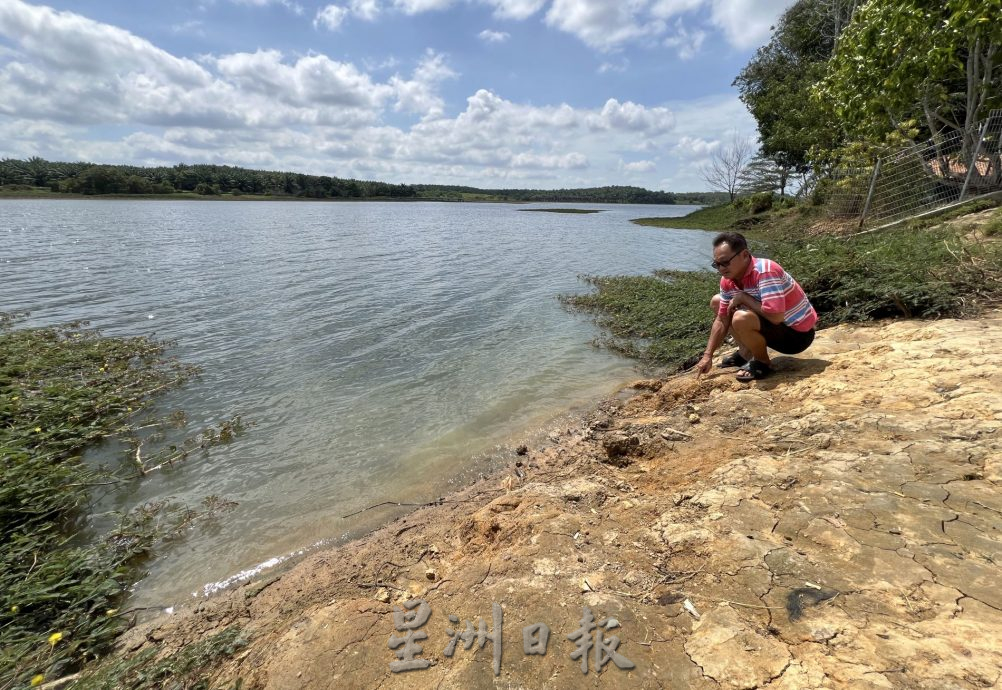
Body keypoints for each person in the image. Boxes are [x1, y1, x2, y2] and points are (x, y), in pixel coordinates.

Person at [695, 232, 817, 382]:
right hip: (776, 327)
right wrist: (708, 355)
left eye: (725, 262)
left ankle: (763, 362)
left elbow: (776, 316)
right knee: (717, 301)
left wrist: (744, 298)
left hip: (797, 336)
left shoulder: (765, 271)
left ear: (745, 255)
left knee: (741, 318)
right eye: (717, 264)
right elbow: (722, 319)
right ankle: (745, 352)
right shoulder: (727, 280)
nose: (721, 268)